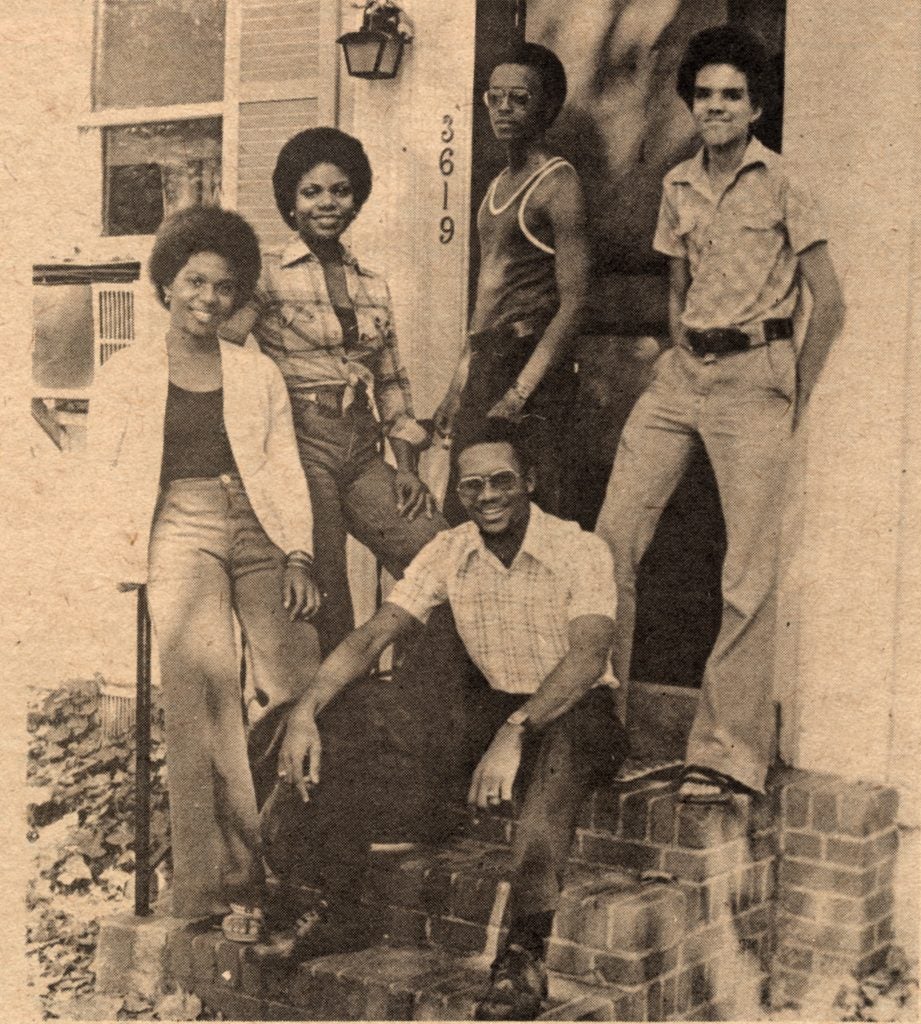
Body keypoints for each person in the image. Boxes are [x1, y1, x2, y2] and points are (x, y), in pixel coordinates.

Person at [276, 418, 628, 1020]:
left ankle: (522, 957)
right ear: (458, 494)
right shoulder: (450, 549)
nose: (488, 497)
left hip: (577, 707)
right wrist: (307, 710)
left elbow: (588, 656)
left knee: (557, 762)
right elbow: (371, 638)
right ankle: (345, 906)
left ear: (529, 482)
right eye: (472, 487)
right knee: (353, 711)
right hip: (496, 704)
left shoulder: (579, 548)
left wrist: (515, 731)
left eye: (502, 481)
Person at [595, 25, 845, 802]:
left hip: (754, 379)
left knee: (747, 574)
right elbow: (678, 282)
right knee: (609, 544)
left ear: (756, 106)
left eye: (732, 95)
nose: (716, 107)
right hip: (682, 377)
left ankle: (727, 754)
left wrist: (788, 392)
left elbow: (828, 303)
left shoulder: (783, 183)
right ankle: (598, 727)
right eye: (704, 95)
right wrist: (680, 343)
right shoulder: (677, 185)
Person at [86, 206, 321, 932]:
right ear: (166, 283)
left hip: (258, 522)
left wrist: (300, 554)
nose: (209, 299)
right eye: (194, 281)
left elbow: (282, 467)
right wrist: (124, 560)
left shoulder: (257, 373)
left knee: (300, 681)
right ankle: (226, 888)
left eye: (224, 287)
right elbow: (105, 475)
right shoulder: (125, 373)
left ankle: (301, 863)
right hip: (179, 526)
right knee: (206, 696)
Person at [220, 127, 447, 657]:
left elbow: (392, 382)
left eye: (340, 191)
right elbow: (226, 346)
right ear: (292, 205)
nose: (327, 203)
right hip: (300, 447)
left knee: (440, 555)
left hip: (361, 447)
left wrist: (408, 465)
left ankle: (415, 703)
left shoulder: (372, 283)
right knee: (328, 593)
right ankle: (331, 727)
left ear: (357, 198)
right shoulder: (268, 276)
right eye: (312, 192)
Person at [434, 42, 589, 521]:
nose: (503, 109)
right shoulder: (497, 185)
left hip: (530, 370)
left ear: (545, 107)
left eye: (518, 99)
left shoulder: (558, 185)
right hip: (488, 366)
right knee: (466, 513)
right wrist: (458, 387)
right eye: (494, 98)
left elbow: (575, 303)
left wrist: (520, 392)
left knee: (529, 515)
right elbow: (488, 295)